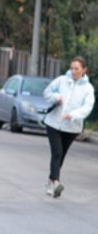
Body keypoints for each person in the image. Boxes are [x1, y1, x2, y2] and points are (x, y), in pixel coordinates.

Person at [43, 56, 95, 197]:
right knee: (57, 153)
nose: (73, 71)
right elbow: (46, 93)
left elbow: (87, 107)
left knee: (61, 155)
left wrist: (73, 115)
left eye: (76, 68)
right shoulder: (61, 80)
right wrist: (56, 97)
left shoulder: (88, 88)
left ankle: (50, 181)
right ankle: (56, 183)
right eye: (72, 68)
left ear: (84, 70)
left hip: (71, 127)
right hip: (54, 123)